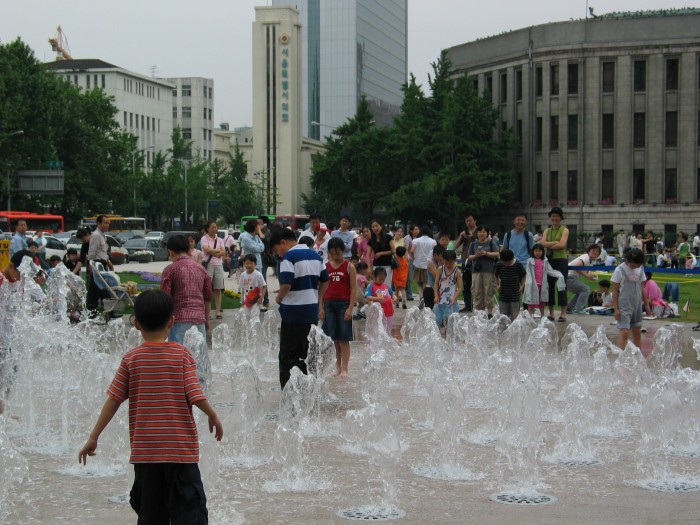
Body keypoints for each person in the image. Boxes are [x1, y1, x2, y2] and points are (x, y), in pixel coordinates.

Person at [78, 290, 223, 523]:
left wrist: (94, 437)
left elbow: (113, 400)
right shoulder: (182, 355)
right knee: (191, 512)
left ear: (136, 324)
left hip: (146, 456)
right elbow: (195, 394)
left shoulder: (131, 359)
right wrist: (213, 415)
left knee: (151, 515)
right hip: (180, 455)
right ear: (172, 322)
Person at [271, 227, 329, 389]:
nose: (279, 254)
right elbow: (326, 280)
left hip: (292, 314)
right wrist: (318, 299)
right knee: (307, 354)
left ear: (283, 243)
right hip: (310, 314)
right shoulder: (315, 255)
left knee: (288, 356)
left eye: (277, 250)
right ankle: (307, 390)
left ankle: (289, 393)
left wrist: (278, 297)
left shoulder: (289, 258)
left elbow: (286, 284)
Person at [160, 234, 212, 344]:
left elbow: (165, 299)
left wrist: (164, 323)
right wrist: (206, 319)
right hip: (199, 320)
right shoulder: (202, 270)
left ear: (170, 252)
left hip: (178, 321)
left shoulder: (170, 270)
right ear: (189, 250)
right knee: (198, 359)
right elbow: (207, 298)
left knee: (178, 358)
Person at [319, 237, 356, 378]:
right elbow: (321, 288)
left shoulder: (349, 266)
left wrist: (351, 308)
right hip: (328, 304)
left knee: (343, 338)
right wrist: (320, 308)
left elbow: (353, 288)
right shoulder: (325, 266)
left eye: (338, 253)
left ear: (343, 251)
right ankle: (337, 366)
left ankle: (345, 368)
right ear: (328, 252)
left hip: (343, 305)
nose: (336, 256)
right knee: (333, 338)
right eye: (333, 253)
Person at [611, 248, 650, 350]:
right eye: (633, 265)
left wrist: (646, 305)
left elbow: (642, 287)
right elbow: (615, 291)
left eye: (637, 266)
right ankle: (622, 358)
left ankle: (638, 358)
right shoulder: (620, 270)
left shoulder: (640, 269)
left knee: (637, 332)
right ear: (627, 261)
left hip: (637, 305)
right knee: (624, 333)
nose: (635, 267)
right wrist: (616, 309)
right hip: (624, 305)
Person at [541, 206, 569, 322]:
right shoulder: (547, 230)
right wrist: (554, 242)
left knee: (562, 286)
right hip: (549, 260)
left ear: (560, 218)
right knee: (549, 286)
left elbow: (562, 245)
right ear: (550, 218)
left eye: (557, 216)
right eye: (553, 216)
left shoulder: (565, 230)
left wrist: (549, 244)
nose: (555, 218)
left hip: (561, 260)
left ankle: (563, 313)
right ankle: (551, 313)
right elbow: (542, 243)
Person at [523, 243, 565, 319]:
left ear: (543, 252)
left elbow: (550, 271)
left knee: (542, 302)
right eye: (536, 251)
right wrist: (528, 283)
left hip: (542, 285)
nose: (538, 253)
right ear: (533, 252)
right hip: (533, 285)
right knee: (531, 302)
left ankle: (543, 316)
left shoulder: (545, 261)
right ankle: (529, 318)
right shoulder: (530, 261)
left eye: (539, 251)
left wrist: (559, 275)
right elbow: (528, 272)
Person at [466, 225, 499, 317]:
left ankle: (489, 313)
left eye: (484, 232)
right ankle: (479, 313)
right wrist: (476, 256)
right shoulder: (473, 244)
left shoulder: (491, 243)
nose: (482, 233)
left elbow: (497, 254)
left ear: (487, 234)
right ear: (477, 233)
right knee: (477, 290)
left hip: (488, 270)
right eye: (480, 231)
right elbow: (469, 256)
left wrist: (486, 253)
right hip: (476, 271)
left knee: (488, 290)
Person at [86, 215, 114, 317]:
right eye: (105, 223)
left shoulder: (103, 235)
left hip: (102, 263)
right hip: (96, 264)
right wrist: (91, 265)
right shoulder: (96, 235)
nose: (107, 225)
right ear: (98, 223)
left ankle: (94, 311)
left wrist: (108, 263)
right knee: (101, 288)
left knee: (97, 288)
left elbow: (102, 252)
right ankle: (109, 310)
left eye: (108, 223)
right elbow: (92, 252)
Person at [200, 221, 227, 319]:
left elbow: (224, 252)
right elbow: (206, 250)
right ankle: (207, 312)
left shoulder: (220, 239)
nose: (215, 229)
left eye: (216, 227)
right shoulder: (204, 238)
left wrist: (214, 251)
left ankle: (218, 311)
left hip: (219, 265)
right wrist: (218, 251)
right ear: (207, 228)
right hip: (209, 265)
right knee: (207, 289)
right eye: (212, 227)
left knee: (218, 288)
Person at [566, 244, 601, 314]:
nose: (595, 252)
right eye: (593, 250)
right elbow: (576, 266)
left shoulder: (590, 261)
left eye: (597, 251)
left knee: (580, 291)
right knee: (586, 289)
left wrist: (591, 276)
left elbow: (585, 272)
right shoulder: (586, 258)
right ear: (589, 251)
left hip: (568, 277)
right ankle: (579, 309)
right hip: (568, 277)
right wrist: (587, 276)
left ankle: (568, 308)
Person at [433, 250, 463, 330]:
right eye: (446, 262)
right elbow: (436, 283)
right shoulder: (440, 269)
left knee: (450, 322)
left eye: (451, 262)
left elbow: (460, 287)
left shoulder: (457, 272)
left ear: (455, 260)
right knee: (437, 320)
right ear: (443, 260)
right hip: (440, 299)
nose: (448, 265)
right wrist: (436, 295)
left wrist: (455, 297)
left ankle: (448, 337)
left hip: (451, 301)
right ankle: (439, 338)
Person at [454, 213, 478, 312]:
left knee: (477, 284)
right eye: (467, 221)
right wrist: (461, 236)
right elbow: (455, 245)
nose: (468, 223)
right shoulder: (464, 232)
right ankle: (468, 305)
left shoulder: (480, 231)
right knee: (466, 284)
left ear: (475, 221)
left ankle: (478, 305)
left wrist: (473, 237)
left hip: (477, 261)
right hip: (465, 260)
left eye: (470, 220)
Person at [494, 248, 526, 321]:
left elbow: (524, 275)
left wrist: (522, 286)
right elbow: (495, 275)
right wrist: (497, 285)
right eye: (505, 263)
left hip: (514, 293)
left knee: (515, 314)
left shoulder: (518, 265)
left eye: (509, 262)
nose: (507, 264)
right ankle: (504, 329)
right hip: (503, 293)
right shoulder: (499, 265)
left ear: (513, 258)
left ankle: (514, 329)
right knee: (503, 315)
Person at [365, 266, 398, 336]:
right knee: (378, 329)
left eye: (383, 280)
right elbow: (368, 297)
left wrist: (395, 298)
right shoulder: (371, 286)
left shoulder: (386, 286)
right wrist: (377, 299)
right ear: (374, 277)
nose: (382, 281)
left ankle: (387, 341)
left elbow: (392, 294)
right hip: (378, 312)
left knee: (388, 329)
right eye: (380, 279)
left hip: (389, 311)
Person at [411, 226, 437, 302]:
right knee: (427, 282)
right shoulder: (433, 241)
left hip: (418, 264)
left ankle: (421, 297)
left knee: (419, 282)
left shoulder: (416, 240)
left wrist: (413, 257)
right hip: (429, 264)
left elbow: (412, 251)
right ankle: (426, 297)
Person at [239, 254, 267, 321]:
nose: (249, 265)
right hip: (247, 299)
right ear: (244, 263)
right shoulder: (243, 275)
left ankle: (255, 330)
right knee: (247, 316)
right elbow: (243, 288)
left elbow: (264, 286)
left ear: (255, 264)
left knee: (254, 317)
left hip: (256, 299)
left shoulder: (258, 275)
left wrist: (261, 297)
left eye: (251, 263)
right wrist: (242, 299)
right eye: (247, 263)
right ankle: (249, 330)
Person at [368, 220, 395, 284]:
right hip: (376, 265)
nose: (375, 228)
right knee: (377, 284)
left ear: (381, 226)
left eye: (376, 226)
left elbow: (393, 250)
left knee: (386, 284)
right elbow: (367, 255)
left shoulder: (388, 237)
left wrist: (381, 253)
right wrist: (369, 267)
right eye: (373, 227)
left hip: (387, 265)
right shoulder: (371, 240)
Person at [404, 225, 418, 301]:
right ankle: (409, 294)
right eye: (416, 229)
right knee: (408, 277)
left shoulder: (417, 238)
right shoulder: (408, 238)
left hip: (415, 260)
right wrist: (408, 258)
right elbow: (406, 249)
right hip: (408, 260)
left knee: (411, 278)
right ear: (411, 230)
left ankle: (408, 292)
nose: (417, 230)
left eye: (417, 229)